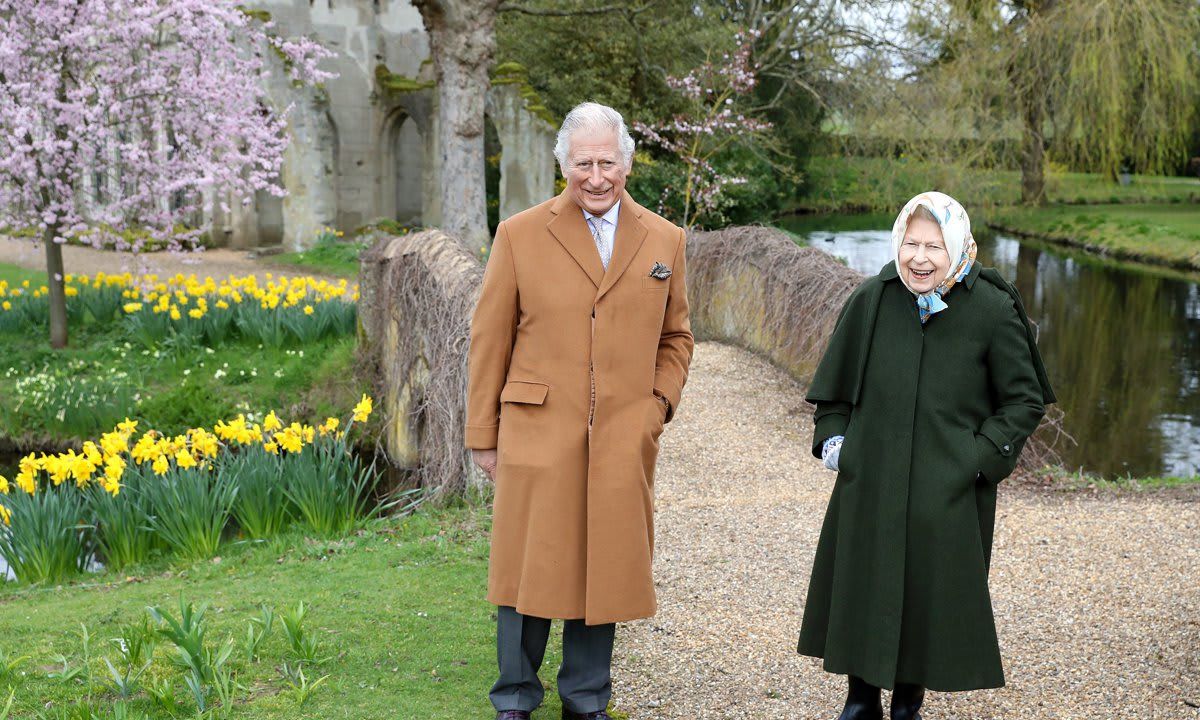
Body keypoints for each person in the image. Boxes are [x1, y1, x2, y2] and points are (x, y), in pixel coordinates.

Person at [465, 101, 694, 720]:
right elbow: (491, 340)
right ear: (563, 165)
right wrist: (482, 436)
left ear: (628, 163)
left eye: (608, 163)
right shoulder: (518, 233)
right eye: (583, 163)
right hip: (537, 430)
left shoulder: (665, 238)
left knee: (606, 564)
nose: (597, 177)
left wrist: (656, 406)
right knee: (526, 568)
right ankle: (514, 696)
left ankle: (587, 699)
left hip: (623, 435)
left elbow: (677, 338)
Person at [798, 192, 1056, 720]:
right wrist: (837, 445)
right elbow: (835, 394)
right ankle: (860, 701)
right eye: (911, 243)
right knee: (865, 585)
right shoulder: (873, 298)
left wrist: (977, 459)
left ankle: (908, 705)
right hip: (869, 484)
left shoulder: (992, 306)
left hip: (948, 494)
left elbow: (1024, 400)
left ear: (956, 245)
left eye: (933, 246)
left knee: (924, 594)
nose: (919, 257)